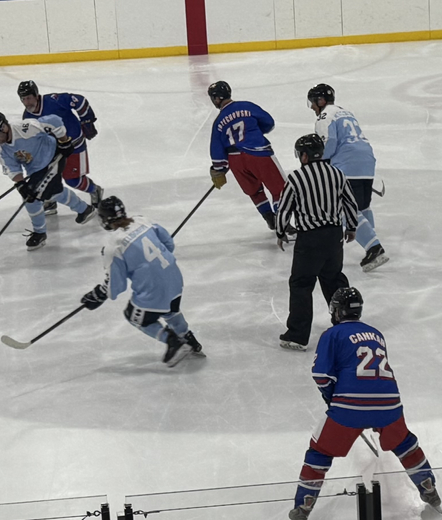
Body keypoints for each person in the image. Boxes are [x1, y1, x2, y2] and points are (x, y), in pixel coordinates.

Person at [288, 286, 441, 520]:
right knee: (405, 443)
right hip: (389, 402)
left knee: (320, 451)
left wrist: (332, 399)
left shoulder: (332, 334)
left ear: (336, 311)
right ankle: (429, 488)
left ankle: (303, 506)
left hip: (350, 405)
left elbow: (321, 375)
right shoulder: (376, 333)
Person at [79, 195, 204, 367]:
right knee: (170, 309)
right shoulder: (143, 221)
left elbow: (117, 286)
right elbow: (168, 244)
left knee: (135, 317)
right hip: (174, 278)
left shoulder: (113, 245)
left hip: (154, 289)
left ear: (105, 219)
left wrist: (99, 293)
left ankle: (173, 341)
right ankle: (187, 337)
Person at [274, 133, 357, 351]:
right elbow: (350, 201)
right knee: (334, 281)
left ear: (304, 156)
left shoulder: (296, 178)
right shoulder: (337, 174)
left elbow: (284, 209)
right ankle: (346, 326)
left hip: (309, 239)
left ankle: (297, 335)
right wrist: (351, 227)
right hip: (333, 237)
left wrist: (281, 231)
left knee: (301, 284)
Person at [0, 111, 95, 250]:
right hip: (35, 169)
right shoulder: (1, 148)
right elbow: (12, 168)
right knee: (51, 192)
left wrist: (64, 141)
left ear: (4, 128)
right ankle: (84, 209)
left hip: (53, 156)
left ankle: (40, 233)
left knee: (33, 197)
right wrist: (20, 185)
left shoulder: (25, 127)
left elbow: (54, 120)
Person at [308, 83, 387, 271]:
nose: (311, 106)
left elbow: (330, 141)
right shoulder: (346, 112)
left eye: (312, 102)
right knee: (362, 205)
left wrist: (320, 161)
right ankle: (370, 235)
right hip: (367, 160)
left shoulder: (324, 116)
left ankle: (373, 247)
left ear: (321, 101)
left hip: (347, 163)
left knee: (344, 207)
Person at [207, 81, 286, 232]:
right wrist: (254, 132)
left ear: (217, 98)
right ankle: (283, 223)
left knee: (254, 191)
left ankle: (269, 218)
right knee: (279, 189)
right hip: (258, 153)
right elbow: (269, 123)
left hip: (235, 160)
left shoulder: (218, 122)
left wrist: (219, 169)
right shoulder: (247, 106)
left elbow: (216, 148)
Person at [17, 81, 103, 219]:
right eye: (23, 99)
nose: (27, 102)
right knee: (44, 177)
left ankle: (94, 190)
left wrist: (87, 121)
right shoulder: (27, 117)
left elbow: (79, 101)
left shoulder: (54, 100)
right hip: (53, 149)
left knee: (72, 181)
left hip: (74, 145)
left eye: (29, 98)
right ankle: (50, 201)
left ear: (36, 95)